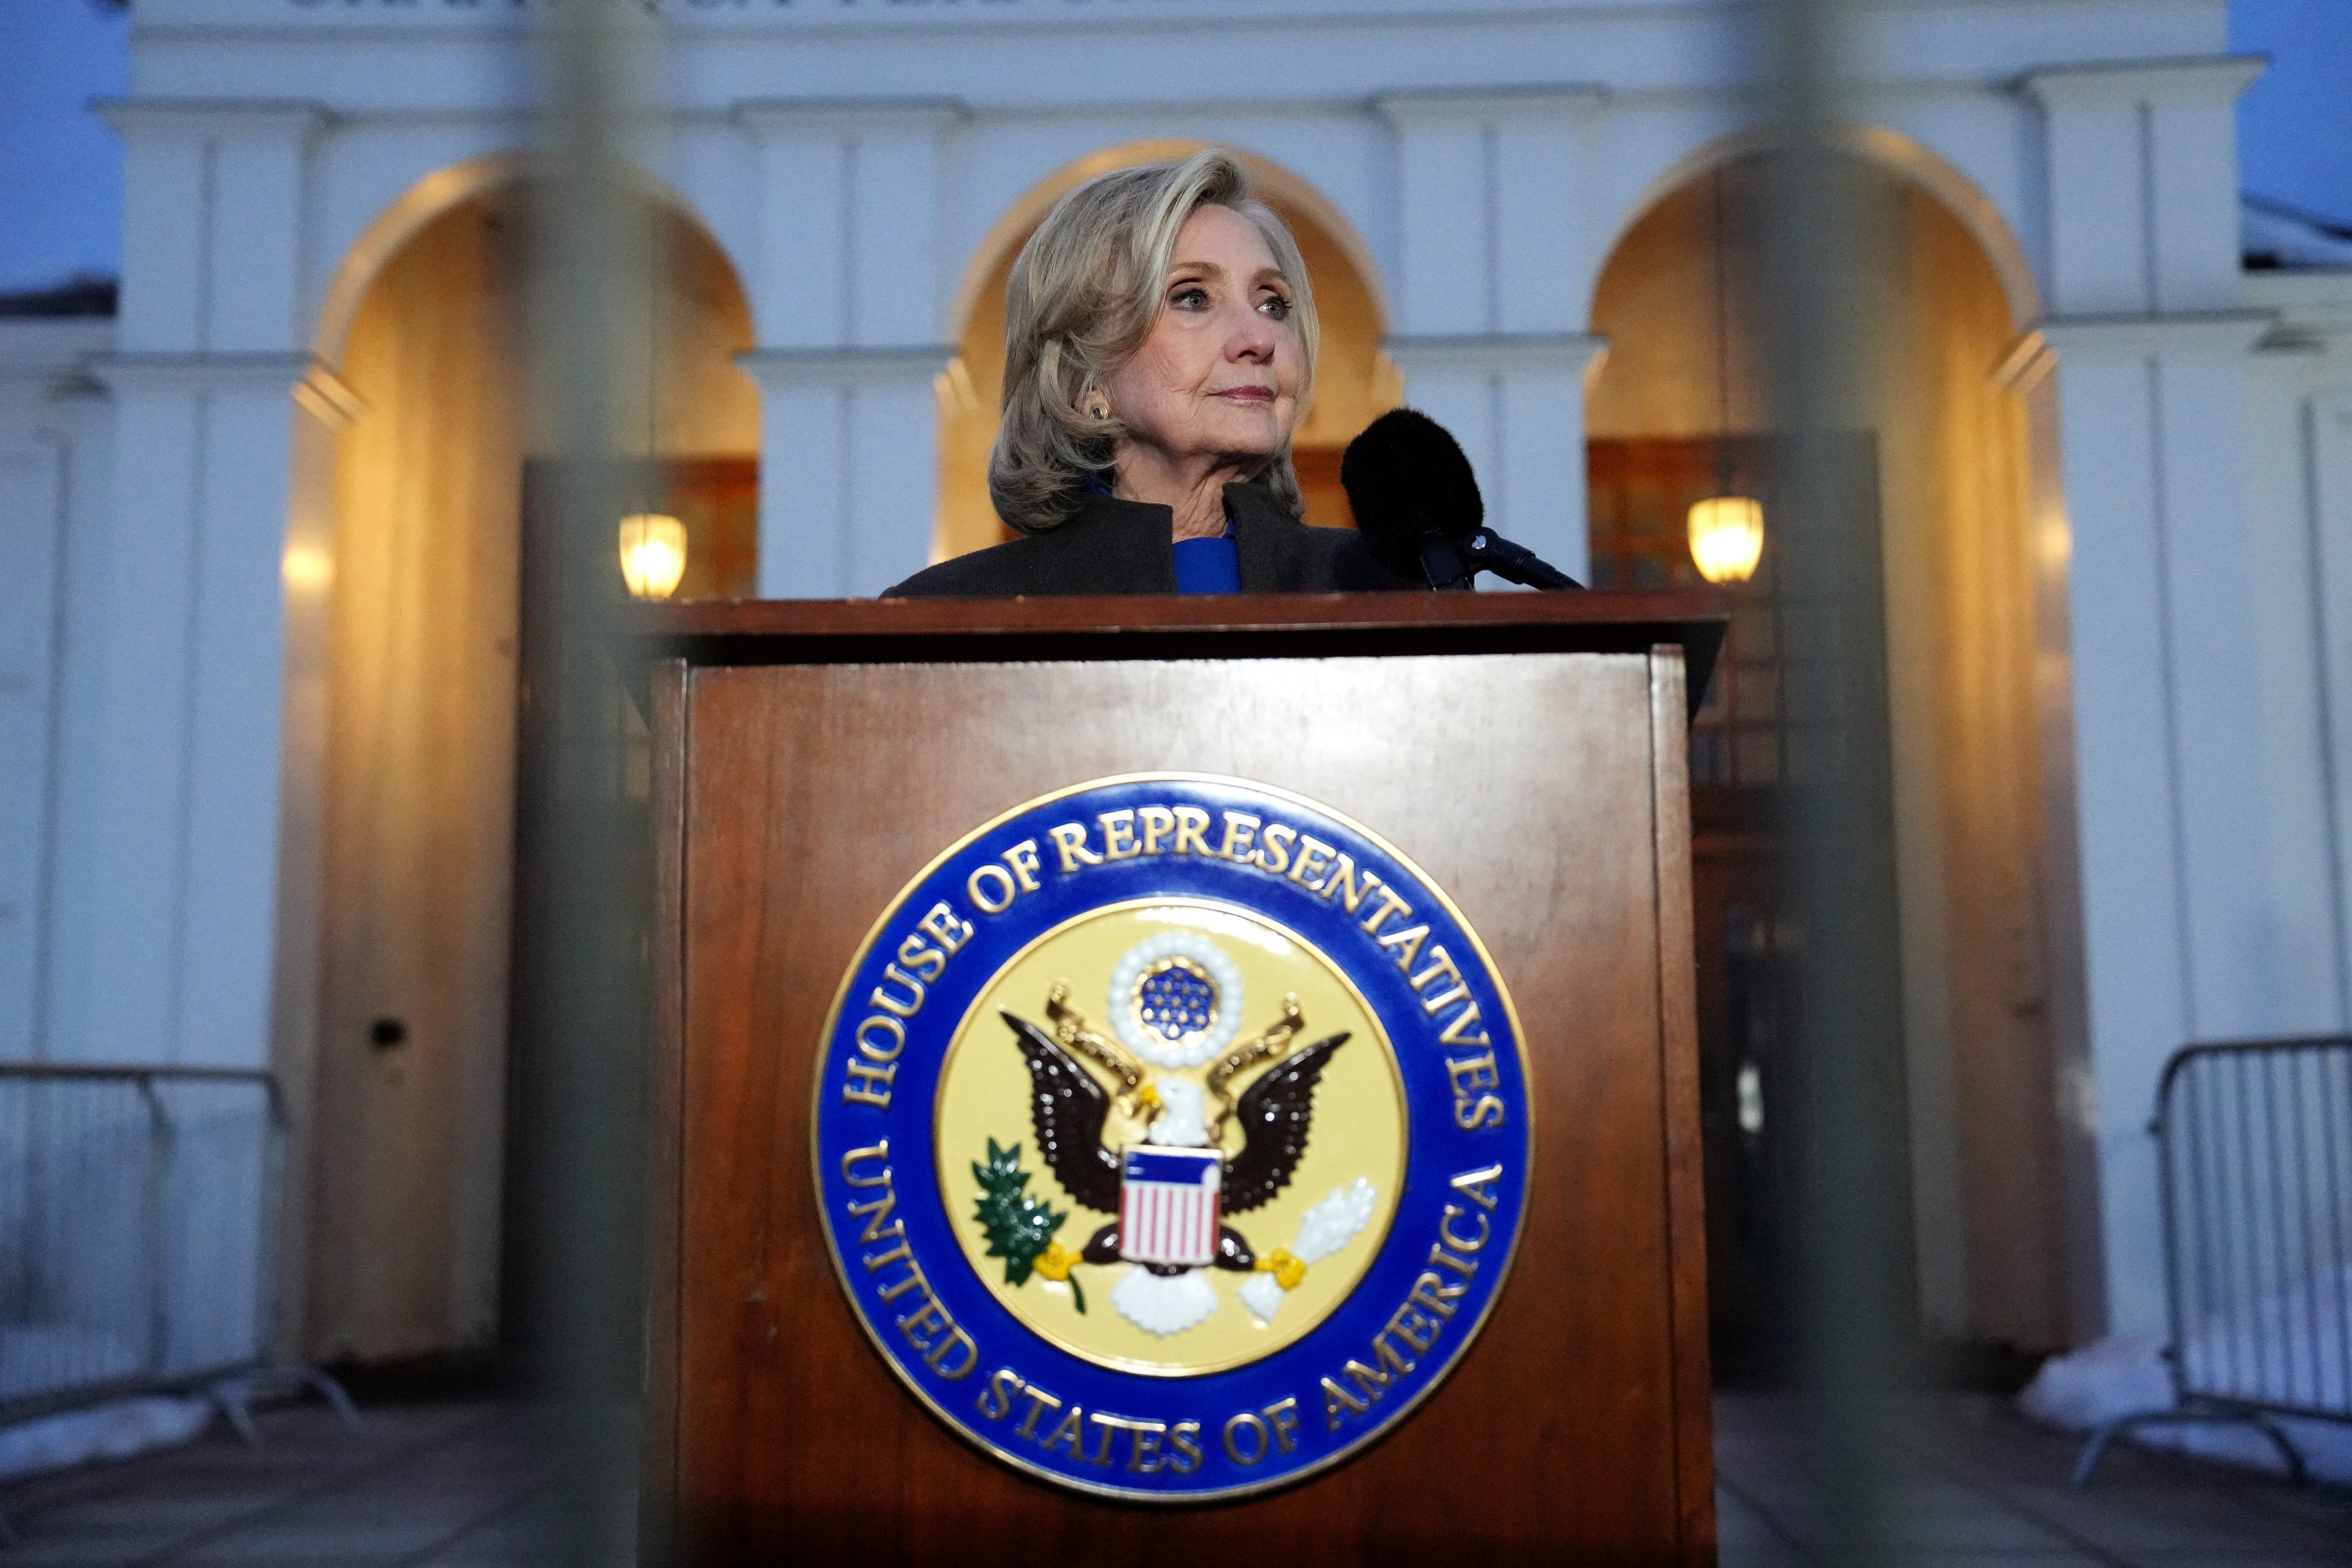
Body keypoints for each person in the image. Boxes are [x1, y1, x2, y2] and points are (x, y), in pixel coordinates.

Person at [888, 150, 1406, 597]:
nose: (1260, 339)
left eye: (1272, 304)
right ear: (1084, 375)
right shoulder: (949, 613)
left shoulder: (1393, 586)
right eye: (1193, 298)